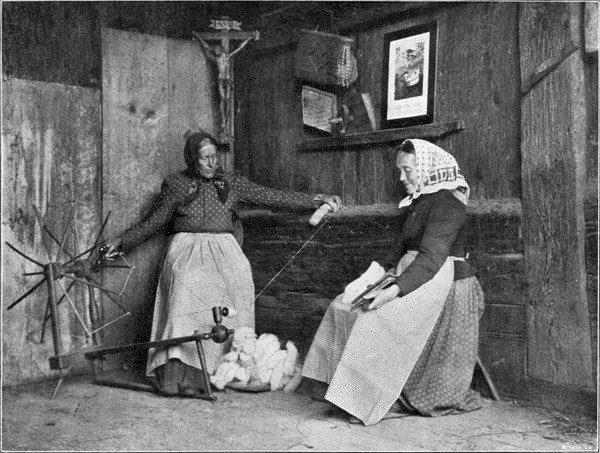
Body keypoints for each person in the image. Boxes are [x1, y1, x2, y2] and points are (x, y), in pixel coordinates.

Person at [103, 131, 341, 397]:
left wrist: (317, 199)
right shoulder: (177, 184)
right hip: (188, 248)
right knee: (188, 287)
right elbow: (154, 221)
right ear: (192, 159)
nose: (211, 163)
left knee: (240, 278)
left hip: (224, 249)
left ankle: (223, 370)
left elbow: (270, 196)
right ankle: (179, 376)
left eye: (214, 157)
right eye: (204, 158)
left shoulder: (230, 182)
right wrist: (121, 242)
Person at [301, 138, 485, 426]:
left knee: (376, 319)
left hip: (442, 281)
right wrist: (374, 278)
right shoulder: (418, 202)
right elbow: (400, 248)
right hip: (413, 274)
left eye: (407, 170)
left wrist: (393, 292)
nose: (401, 178)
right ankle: (339, 392)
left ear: (428, 169)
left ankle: (373, 399)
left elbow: (431, 258)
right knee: (343, 306)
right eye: (400, 170)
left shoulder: (448, 205)